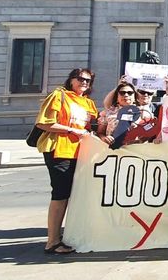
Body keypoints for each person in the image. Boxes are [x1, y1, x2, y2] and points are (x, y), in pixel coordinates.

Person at [34, 68, 98, 254]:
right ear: (71, 80)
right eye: (80, 79)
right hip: (60, 151)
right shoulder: (59, 96)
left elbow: (94, 126)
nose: (84, 83)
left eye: (88, 81)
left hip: (81, 153)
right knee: (60, 194)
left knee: (73, 194)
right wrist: (71, 130)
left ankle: (64, 235)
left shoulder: (88, 103)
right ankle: (52, 241)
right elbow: (43, 123)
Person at [96, 81, 142, 146]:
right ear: (117, 97)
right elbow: (100, 133)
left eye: (130, 93)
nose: (126, 95)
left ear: (134, 97)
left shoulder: (143, 113)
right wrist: (104, 138)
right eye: (122, 93)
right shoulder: (108, 112)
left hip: (134, 151)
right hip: (112, 150)